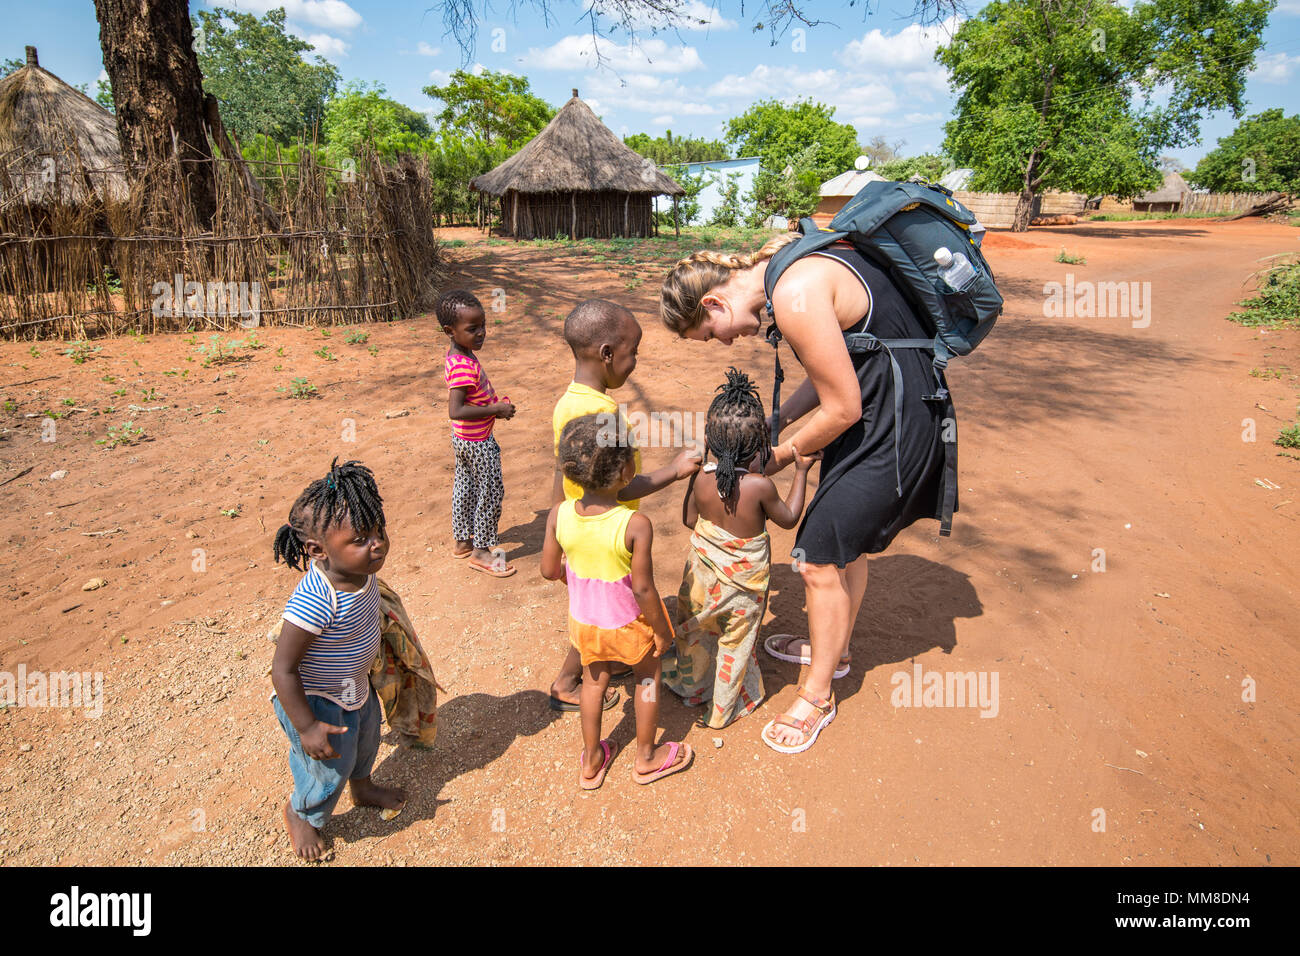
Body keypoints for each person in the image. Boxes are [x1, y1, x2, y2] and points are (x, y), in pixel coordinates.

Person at [660, 234, 952, 754]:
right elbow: (837, 367)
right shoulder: (788, 275)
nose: (725, 344)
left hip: (894, 420)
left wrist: (777, 457)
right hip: (888, 402)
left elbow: (842, 408)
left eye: (710, 334)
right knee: (846, 546)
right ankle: (830, 650)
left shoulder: (794, 292)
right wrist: (776, 421)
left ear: (713, 303)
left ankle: (817, 695)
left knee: (817, 556)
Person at [546, 299, 700, 712]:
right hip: (606, 529)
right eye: (634, 352)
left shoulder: (569, 404)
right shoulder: (601, 413)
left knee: (594, 608)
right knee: (611, 605)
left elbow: (560, 470)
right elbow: (624, 488)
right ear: (607, 354)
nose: (636, 361)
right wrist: (676, 469)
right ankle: (566, 681)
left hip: (580, 527)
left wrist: (556, 527)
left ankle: (600, 661)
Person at [541, 414, 694, 788]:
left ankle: (592, 761)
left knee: (594, 684)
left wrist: (577, 577)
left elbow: (548, 570)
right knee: (647, 678)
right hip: (628, 625)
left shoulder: (559, 515)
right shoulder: (634, 525)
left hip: (586, 623)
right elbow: (642, 589)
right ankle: (646, 757)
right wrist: (662, 630)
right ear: (627, 471)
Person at [664, 367, 820, 729]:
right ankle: (720, 712)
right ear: (759, 446)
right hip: (744, 590)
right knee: (735, 644)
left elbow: (690, 520)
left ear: (709, 439)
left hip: (700, 581)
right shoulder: (760, 486)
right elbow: (790, 517)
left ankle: (691, 685)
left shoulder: (702, 479)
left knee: (696, 631)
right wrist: (801, 472)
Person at [270, 459, 406, 860]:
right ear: (318, 550)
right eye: (361, 539)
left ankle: (362, 788)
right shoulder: (316, 598)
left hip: (354, 687)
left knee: (366, 741)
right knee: (329, 769)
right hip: (318, 700)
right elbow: (283, 669)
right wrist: (308, 726)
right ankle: (302, 814)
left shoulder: (362, 572)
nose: (376, 544)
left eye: (378, 531)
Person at [439, 289, 517, 578]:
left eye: (483, 325)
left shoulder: (461, 355)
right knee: (490, 490)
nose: (482, 333)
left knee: (465, 485)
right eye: (473, 329)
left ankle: (463, 541)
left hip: (464, 438)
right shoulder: (461, 366)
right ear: (450, 331)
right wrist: (496, 409)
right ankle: (482, 550)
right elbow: (456, 410)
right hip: (477, 441)